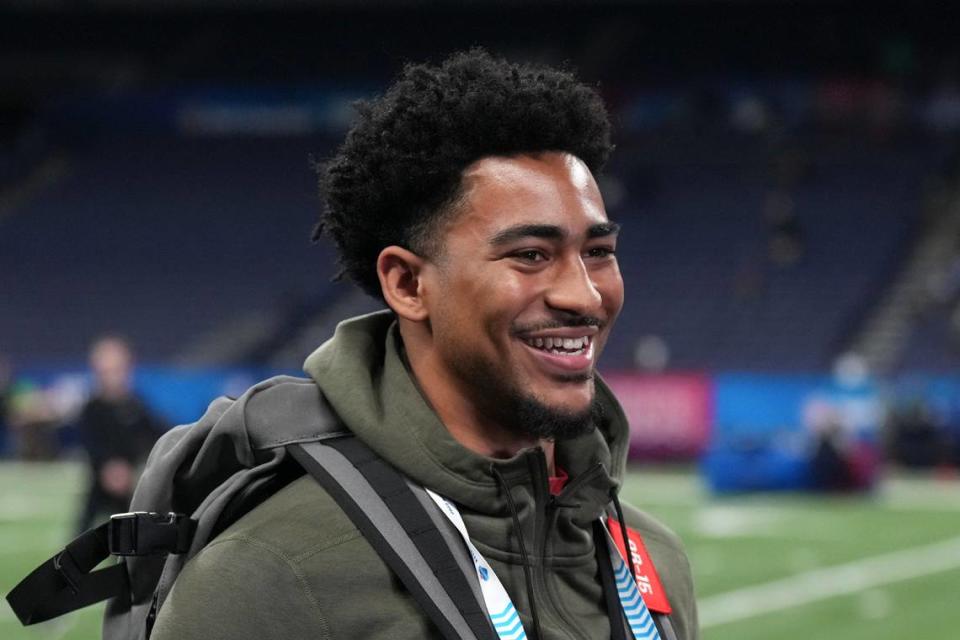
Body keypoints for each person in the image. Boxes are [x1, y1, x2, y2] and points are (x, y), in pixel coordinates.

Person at [151, 49, 698, 640]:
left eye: (598, 252)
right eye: (531, 255)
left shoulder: (651, 562)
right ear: (408, 284)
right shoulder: (271, 577)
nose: (585, 296)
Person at [76, 335, 164, 533]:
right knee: (82, 534)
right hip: (99, 482)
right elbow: (91, 443)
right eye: (106, 371)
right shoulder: (92, 408)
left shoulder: (136, 405)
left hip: (127, 484)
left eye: (117, 370)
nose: (112, 377)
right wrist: (107, 467)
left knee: (129, 537)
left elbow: (154, 435)